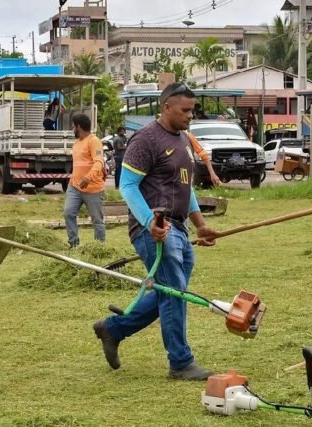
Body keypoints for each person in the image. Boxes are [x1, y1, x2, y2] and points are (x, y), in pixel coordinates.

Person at [92, 82, 219, 380]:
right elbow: (127, 186)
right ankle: (181, 362)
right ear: (166, 107)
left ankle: (113, 329)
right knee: (174, 292)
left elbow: (184, 188)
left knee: (172, 292)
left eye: (192, 110)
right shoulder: (146, 139)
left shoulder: (184, 140)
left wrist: (200, 224)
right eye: (185, 110)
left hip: (180, 228)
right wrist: (150, 222)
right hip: (153, 230)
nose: (190, 115)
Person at [63, 113, 106, 248]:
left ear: (79, 127)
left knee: (97, 220)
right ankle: (73, 244)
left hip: (93, 189)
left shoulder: (94, 141)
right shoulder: (76, 144)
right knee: (68, 213)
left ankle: (99, 247)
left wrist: (88, 178)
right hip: (75, 187)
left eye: (73, 126)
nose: (72, 129)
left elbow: (99, 162)